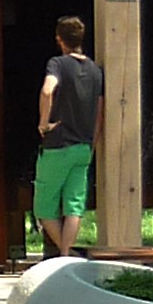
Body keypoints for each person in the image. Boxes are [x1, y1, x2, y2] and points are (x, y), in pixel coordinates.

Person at [34, 15, 103, 258]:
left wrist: (44, 122)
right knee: (74, 205)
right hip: (83, 146)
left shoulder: (58, 64)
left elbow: (47, 90)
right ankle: (66, 255)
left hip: (57, 145)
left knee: (44, 207)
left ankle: (65, 253)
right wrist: (93, 143)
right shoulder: (95, 70)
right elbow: (99, 111)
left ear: (59, 40)